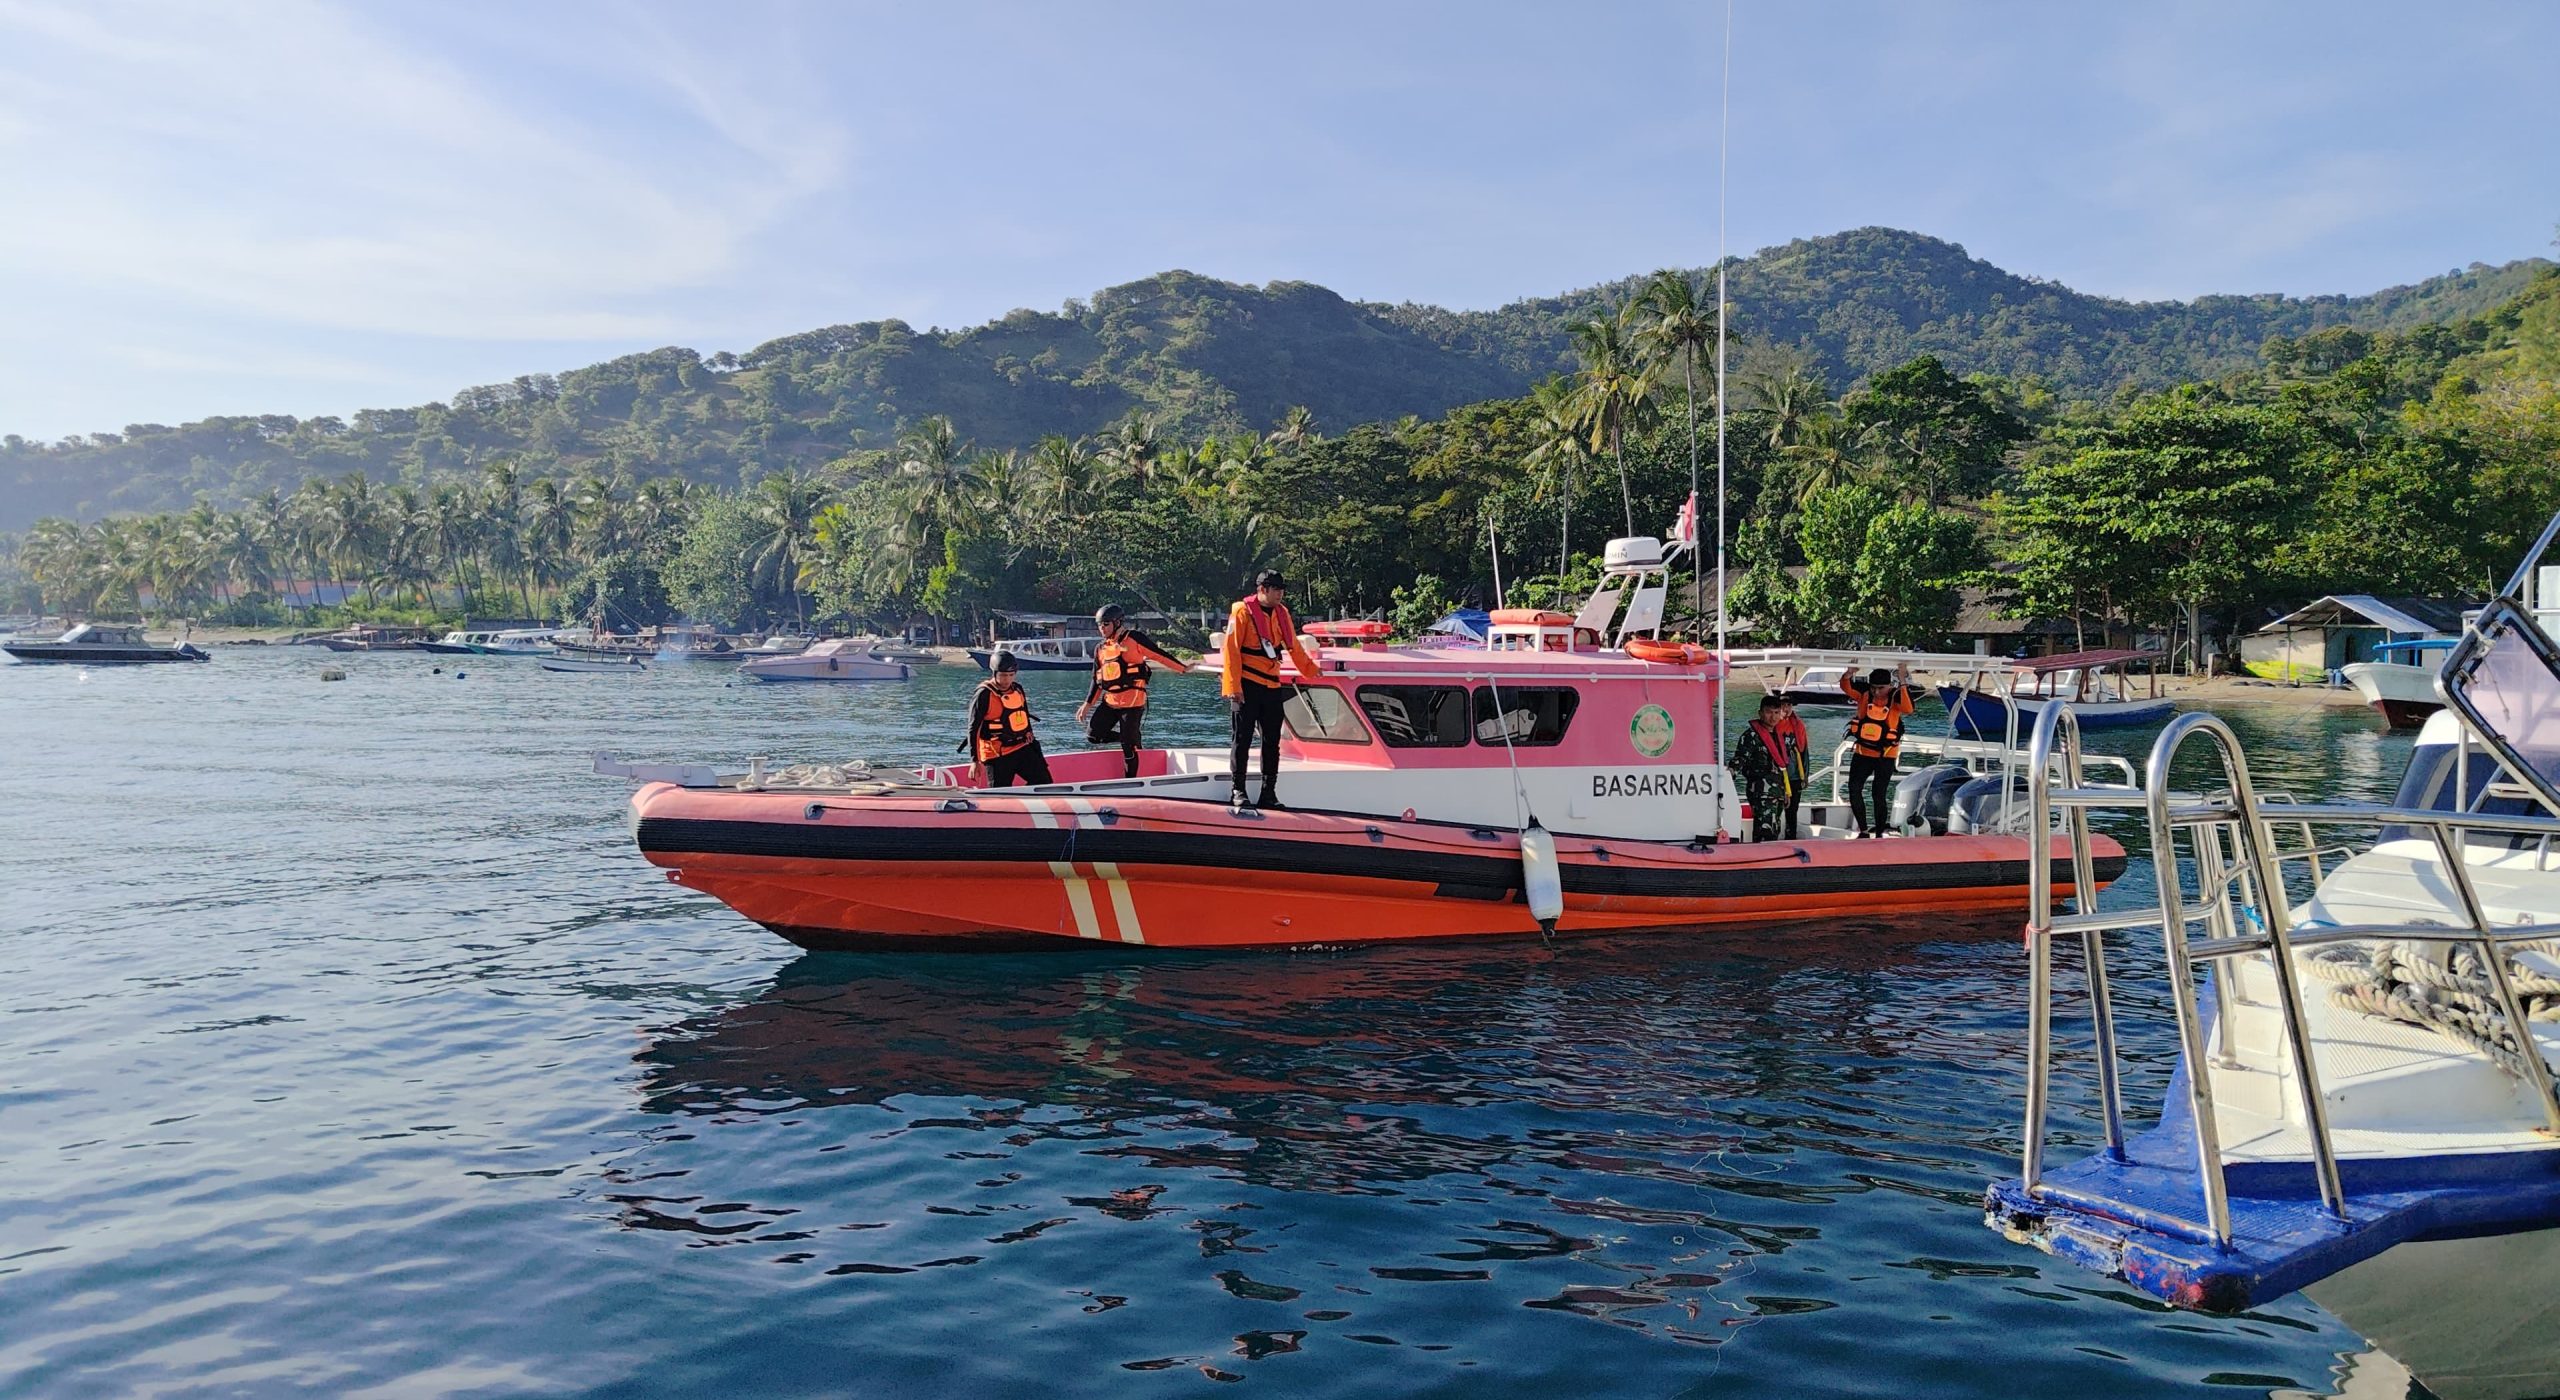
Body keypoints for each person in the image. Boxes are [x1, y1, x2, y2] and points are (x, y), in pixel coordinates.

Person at [1220, 567, 1321, 810]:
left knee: (1272, 742)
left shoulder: (1281, 613)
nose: (1280, 594)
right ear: (1262, 589)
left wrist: (1310, 670)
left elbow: (1293, 646)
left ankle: (1269, 793)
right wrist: (1233, 687)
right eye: (1275, 589)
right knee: (1242, 740)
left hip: (1272, 685)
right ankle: (1238, 790)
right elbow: (1231, 651)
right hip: (1247, 684)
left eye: (1281, 590)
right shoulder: (1242, 611)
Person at [1075, 604, 1187, 778]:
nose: (1102, 628)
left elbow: (1158, 654)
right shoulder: (1100, 649)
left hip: (1133, 703)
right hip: (1111, 702)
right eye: (1099, 625)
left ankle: (1131, 780)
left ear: (1118, 623)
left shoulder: (1134, 638)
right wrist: (1087, 704)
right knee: (1093, 735)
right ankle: (1130, 738)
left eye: (1106, 624)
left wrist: (1183, 668)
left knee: (1128, 748)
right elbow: (1096, 680)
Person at [1839, 663, 1915, 837]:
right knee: (1854, 789)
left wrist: (1902, 680)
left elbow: (1908, 709)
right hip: (1862, 753)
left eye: (1881, 688)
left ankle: (1879, 832)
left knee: (1878, 794)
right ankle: (1864, 830)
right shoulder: (1864, 694)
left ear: (1889, 686)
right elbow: (1846, 687)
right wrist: (1848, 674)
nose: (1876, 692)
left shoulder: (1895, 697)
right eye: (1873, 688)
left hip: (1886, 755)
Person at [960, 652, 1054, 787]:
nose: (1007, 680)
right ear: (994, 673)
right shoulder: (984, 694)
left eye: (1011, 675)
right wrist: (975, 761)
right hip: (996, 753)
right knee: (1000, 793)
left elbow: (1024, 715)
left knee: (1044, 782)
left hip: (1020, 747)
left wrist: (1029, 734)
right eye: (1003, 675)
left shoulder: (1017, 689)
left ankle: (1023, 799)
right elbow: (973, 728)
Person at [1729, 696, 1795, 842]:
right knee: (1764, 831)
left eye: (1776, 713)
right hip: (1761, 792)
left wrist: (1786, 791)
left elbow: (1782, 767)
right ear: (1760, 713)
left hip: (1778, 791)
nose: (1773, 717)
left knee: (1775, 829)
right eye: (1769, 712)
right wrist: (1729, 774)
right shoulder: (1751, 736)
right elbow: (1740, 759)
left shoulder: (1779, 736)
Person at [1773, 693, 1811, 840]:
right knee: (1775, 809)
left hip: (1794, 774)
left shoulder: (1798, 725)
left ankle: (1790, 838)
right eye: (1783, 705)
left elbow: (1804, 751)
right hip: (1776, 775)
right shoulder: (1773, 724)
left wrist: (1805, 776)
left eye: (1788, 705)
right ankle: (1772, 840)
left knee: (1792, 810)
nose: (1786, 708)